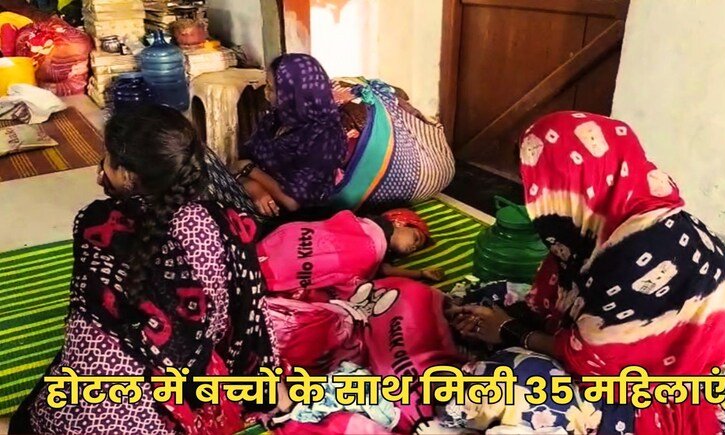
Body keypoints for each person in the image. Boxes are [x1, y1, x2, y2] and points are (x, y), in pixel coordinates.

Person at [447, 112, 725, 434]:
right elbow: (562, 296)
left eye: (542, 187)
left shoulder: (642, 256)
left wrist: (509, 330)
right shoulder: (617, 218)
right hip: (626, 350)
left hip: (684, 399)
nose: (534, 201)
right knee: (489, 294)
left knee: (492, 386)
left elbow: (594, 363)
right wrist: (505, 319)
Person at [10, 105, 287, 435]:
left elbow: (90, 320)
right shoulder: (227, 225)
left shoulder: (96, 222)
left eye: (107, 158)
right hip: (181, 398)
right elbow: (250, 319)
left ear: (127, 175)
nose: (101, 166)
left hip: (88, 411)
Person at [237, 53, 347, 216]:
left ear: (294, 94)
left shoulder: (324, 136)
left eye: (271, 88)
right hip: (256, 200)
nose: (265, 93)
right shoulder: (275, 120)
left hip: (292, 220)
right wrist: (252, 187)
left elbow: (294, 202)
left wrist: (250, 170)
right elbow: (239, 163)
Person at [257, 208, 443, 300]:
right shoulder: (368, 226)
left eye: (417, 248)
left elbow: (384, 269)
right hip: (302, 240)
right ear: (399, 222)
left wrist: (420, 273)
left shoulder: (380, 254)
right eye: (416, 238)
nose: (414, 247)